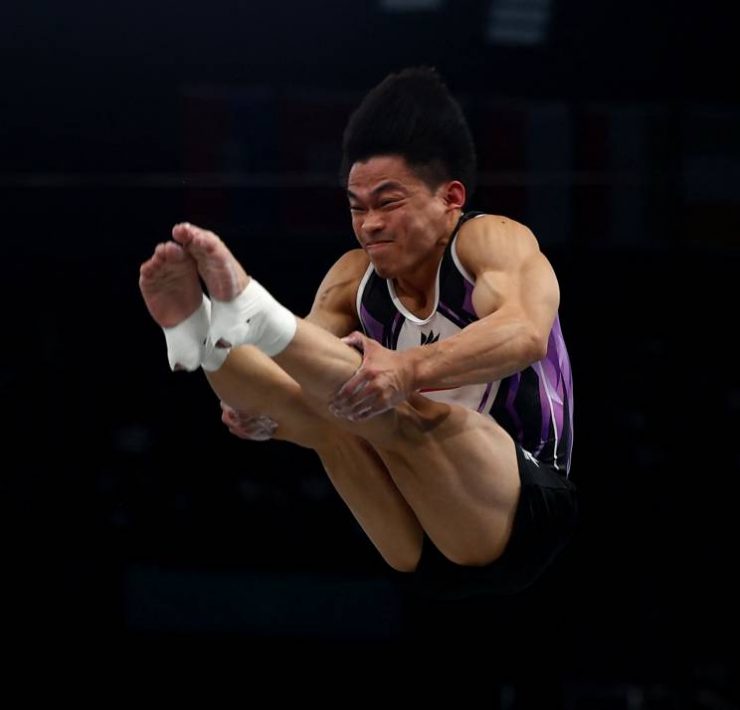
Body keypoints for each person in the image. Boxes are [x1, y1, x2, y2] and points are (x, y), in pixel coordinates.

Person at [139, 67, 576, 598]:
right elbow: (299, 374)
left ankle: (248, 312)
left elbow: (526, 331)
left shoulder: (490, 242)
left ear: (450, 199)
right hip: (413, 538)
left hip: (518, 510)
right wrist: (258, 405)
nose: (369, 225)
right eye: (357, 207)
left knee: (397, 406)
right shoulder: (353, 279)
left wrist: (407, 369)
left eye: (389, 203)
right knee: (328, 409)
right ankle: (200, 333)